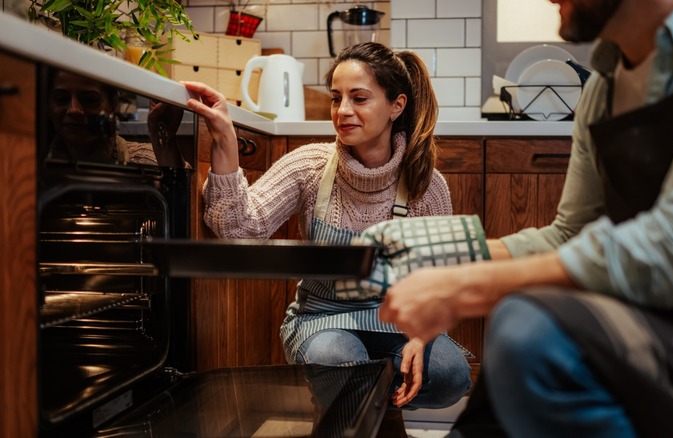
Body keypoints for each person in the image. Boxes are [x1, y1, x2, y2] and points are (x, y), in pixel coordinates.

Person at [372, 0, 673, 436]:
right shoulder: (603, 85)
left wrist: (467, 288)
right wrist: (434, 253)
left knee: (529, 331)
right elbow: (571, 234)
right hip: (656, 323)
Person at [182, 42, 472, 412]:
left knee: (450, 375)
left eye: (359, 98)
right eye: (336, 98)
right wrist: (224, 137)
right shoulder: (310, 166)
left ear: (396, 106)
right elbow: (239, 227)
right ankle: (356, 400)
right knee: (340, 362)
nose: (343, 111)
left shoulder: (427, 185)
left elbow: (442, 282)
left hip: (399, 325)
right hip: (322, 320)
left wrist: (424, 336)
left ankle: (358, 405)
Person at [46, 68, 187, 167]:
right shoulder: (31, 163)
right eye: (61, 98)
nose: (74, 110)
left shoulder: (146, 160)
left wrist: (165, 145)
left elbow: (184, 200)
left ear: (113, 104)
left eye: (89, 100)